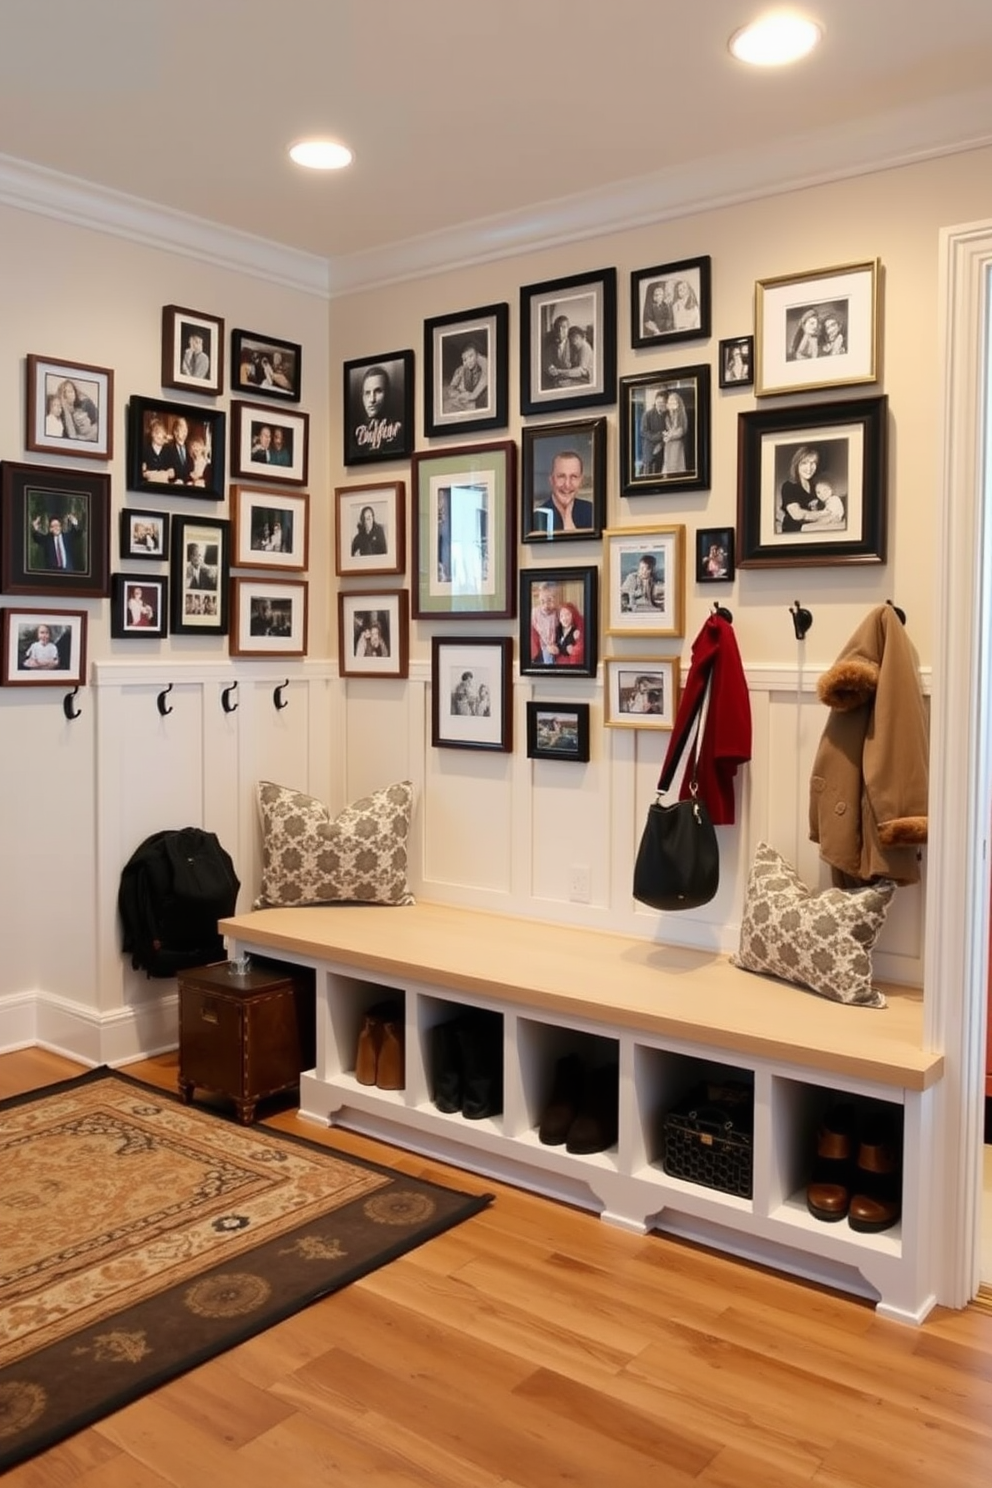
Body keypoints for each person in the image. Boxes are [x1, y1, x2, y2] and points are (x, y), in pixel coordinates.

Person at [533, 449, 594, 534]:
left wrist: (568, 515)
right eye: (561, 476)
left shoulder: (591, 511)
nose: (567, 485)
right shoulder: (538, 516)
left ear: (581, 481)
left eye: (574, 477)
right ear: (551, 480)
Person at [354, 365, 403, 455]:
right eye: (367, 393)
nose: (372, 399)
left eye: (378, 391)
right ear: (362, 396)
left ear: (387, 393)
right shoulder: (352, 437)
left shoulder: (400, 432)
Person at [779, 445, 823, 531]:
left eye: (813, 463)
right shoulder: (789, 486)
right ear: (796, 465)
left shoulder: (816, 486)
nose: (809, 468)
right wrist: (824, 514)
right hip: (794, 535)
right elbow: (797, 515)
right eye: (804, 463)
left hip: (814, 532)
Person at [445, 341, 488, 412]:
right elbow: (451, 388)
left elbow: (485, 378)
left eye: (471, 356)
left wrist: (472, 396)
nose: (469, 361)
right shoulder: (461, 370)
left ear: (477, 355)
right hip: (464, 401)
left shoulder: (483, 364)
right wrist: (456, 393)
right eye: (465, 359)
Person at [530, 581, 561, 664]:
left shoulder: (557, 611)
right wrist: (549, 645)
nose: (546, 606)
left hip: (557, 642)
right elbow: (540, 632)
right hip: (544, 645)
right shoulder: (535, 612)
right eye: (542, 602)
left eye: (550, 601)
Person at [640, 389, 667, 474]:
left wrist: (661, 443)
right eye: (658, 401)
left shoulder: (666, 415)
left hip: (662, 449)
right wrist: (659, 436)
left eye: (662, 402)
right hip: (649, 450)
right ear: (655, 401)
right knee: (647, 475)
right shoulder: (647, 414)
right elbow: (644, 432)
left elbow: (668, 431)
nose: (660, 404)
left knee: (659, 473)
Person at [662, 390, 688, 475]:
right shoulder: (667, 416)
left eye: (673, 400)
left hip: (676, 445)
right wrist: (666, 434)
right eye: (670, 400)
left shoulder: (681, 415)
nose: (671, 402)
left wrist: (670, 436)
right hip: (668, 445)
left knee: (676, 466)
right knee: (667, 466)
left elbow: (680, 431)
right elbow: (668, 430)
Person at [142, 418, 175, 483]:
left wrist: (165, 474)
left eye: (163, 433)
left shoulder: (169, 450)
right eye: (157, 433)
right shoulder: (145, 450)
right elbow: (142, 471)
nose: (161, 436)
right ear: (152, 434)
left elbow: (173, 473)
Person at [543, 314, 571, 385]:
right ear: (554, 330)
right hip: (555, 381)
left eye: (564, 327)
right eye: (558, 328)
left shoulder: (573, 345)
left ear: (568, 329)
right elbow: (546, 362)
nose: (560, 331)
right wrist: (550, 368)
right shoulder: (551, 346)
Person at [168, 417, 191, 483]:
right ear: (175, 432)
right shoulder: (168, 448)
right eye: (181, 430)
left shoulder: (190, 447)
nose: (184, 434)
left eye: (185, 431)